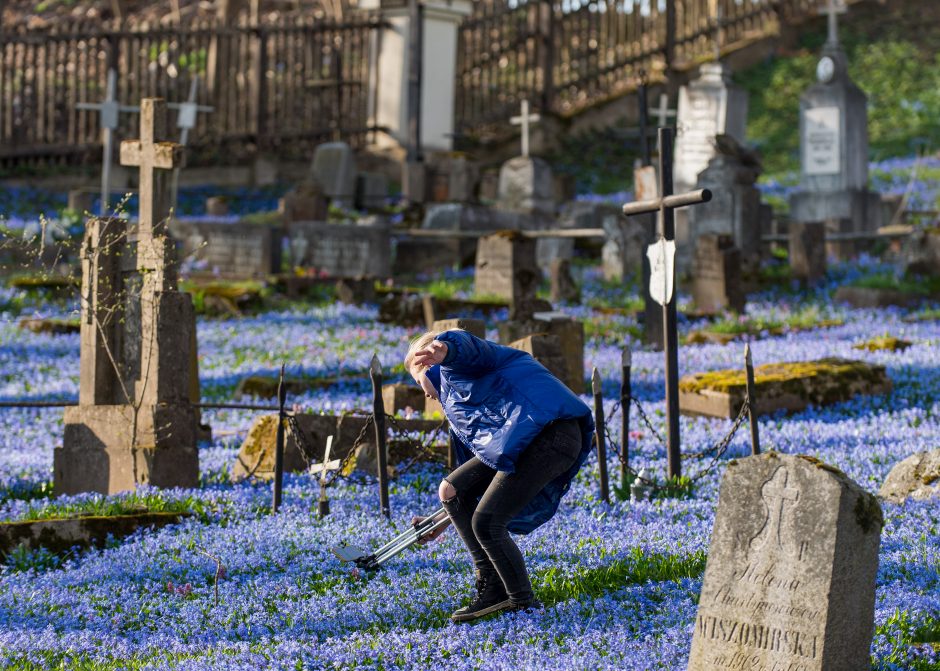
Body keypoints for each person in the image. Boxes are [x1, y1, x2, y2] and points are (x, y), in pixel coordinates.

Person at [404, 328, 595, 622]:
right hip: (524, 438)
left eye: (419, 381)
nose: (425, 393)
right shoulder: (456, 403)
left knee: (488, 522)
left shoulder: (461, 367)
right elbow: (478, 478)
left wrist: (446, 350)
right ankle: (492, 587)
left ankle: (521, 603)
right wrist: (447, 516)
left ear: (429, 366)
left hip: (548, 433)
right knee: (450, 490)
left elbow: (469, 347)